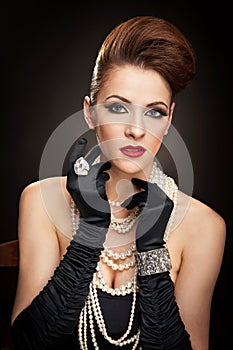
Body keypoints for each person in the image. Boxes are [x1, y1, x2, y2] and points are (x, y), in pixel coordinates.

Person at [10, 15, 226, 350]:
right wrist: (90, 233)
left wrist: (153, 253)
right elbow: (29, 342)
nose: (136, 130)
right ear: (90, 112)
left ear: (169, 119)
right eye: (117, 107)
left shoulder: (204, 226)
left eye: (153, 112)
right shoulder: (41, 200)